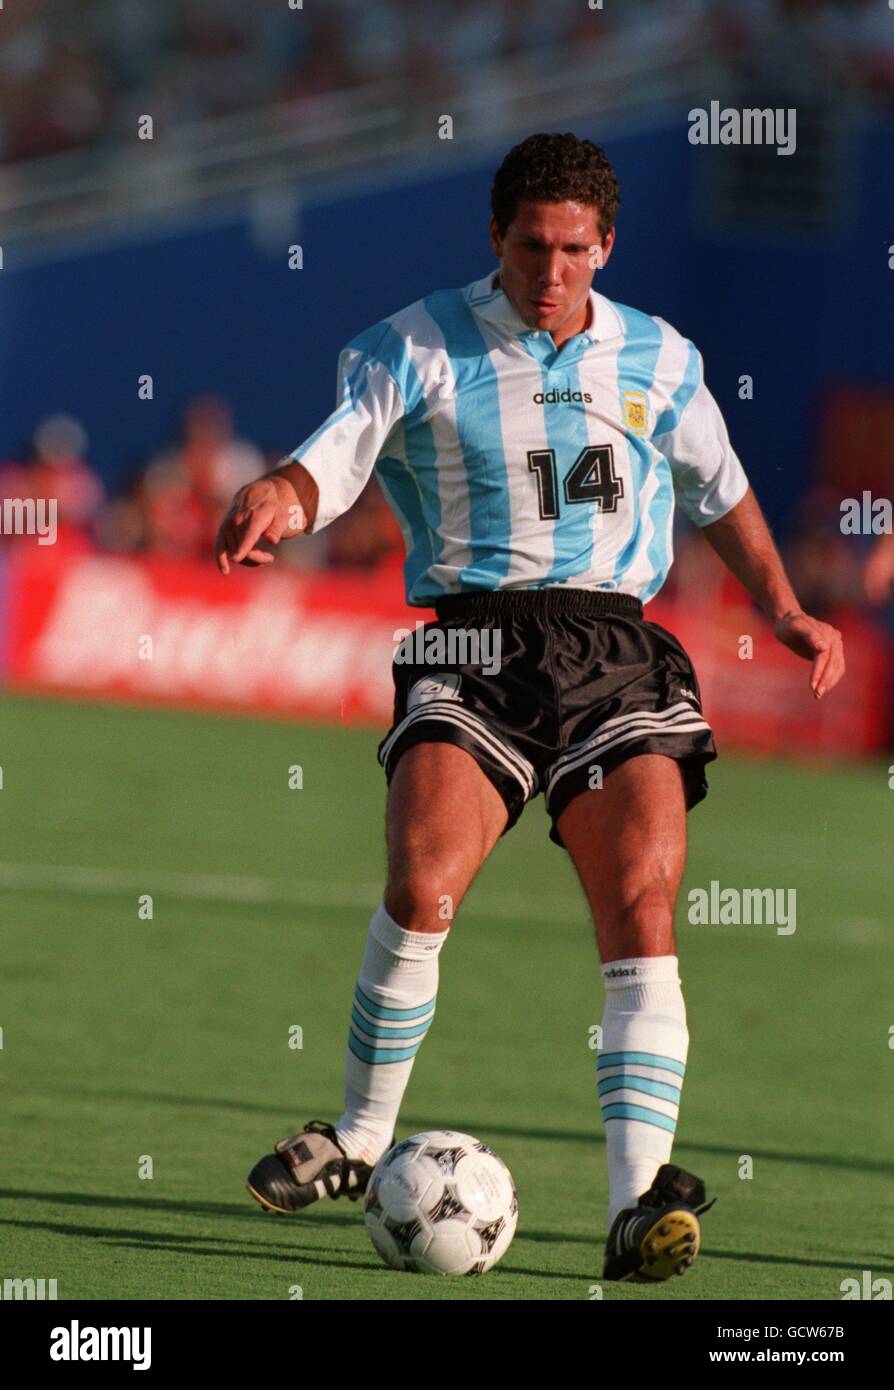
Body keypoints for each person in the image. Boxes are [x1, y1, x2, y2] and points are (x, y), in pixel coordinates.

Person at [214, 133, 845, 1283]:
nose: (550, 271)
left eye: (572, 249)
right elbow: (336, 459)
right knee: (422, 886)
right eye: (528, 246)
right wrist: (277, 493)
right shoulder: (415, 344)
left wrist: (788, 604)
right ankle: (358, 1137)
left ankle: (633, 1202)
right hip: (471, 639)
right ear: (494, 239)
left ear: (606, 245)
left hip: (616, 649)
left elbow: (725, 488)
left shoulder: (661, 355)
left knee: (641, 908)